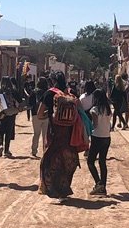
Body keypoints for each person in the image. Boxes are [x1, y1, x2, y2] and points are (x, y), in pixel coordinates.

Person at [38, 72, 84, 201]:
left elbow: (40, 114)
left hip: (54, 133)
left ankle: (55, 191)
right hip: (70, 134)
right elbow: (80, 109)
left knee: (50, 162)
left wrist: (51, 113)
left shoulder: (49, 93)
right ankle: (64, 189)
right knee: (68, 162)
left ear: (52, 81)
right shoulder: (71, 93)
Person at [87, 87, 114, 197]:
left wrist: (88, 130)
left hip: (97, 137)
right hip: (106, 137)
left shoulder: (94, 110)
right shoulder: (108, 109)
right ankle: (103, 186)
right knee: (102, 162)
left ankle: (98, 183)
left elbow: (95, 125)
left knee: (90, 161)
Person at [0, 77, 19, 158]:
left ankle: (0, 145)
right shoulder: (13, 90)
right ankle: (6, 150)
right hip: (11, 113)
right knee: (8, 132)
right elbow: (19, 100)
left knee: (0, 131)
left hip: (1, 113)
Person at [29, 76, 49, 158]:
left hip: (35, 115)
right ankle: (45, 151)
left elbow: (30, 103)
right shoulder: (47, 92)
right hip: (46, 115)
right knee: (45, 135)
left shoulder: (34, 92)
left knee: (36, 133)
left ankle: (34, 150)